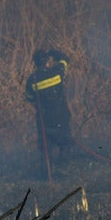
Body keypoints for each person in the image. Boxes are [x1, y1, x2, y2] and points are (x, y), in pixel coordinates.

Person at [24, 48, 73, 179]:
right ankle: (63, 170)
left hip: (44, 120)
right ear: (48, 62)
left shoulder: (32, 80)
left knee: (46, 148)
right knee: (66, 143)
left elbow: (29, 97)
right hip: (62, 117)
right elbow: (65, 59)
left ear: (35, 63)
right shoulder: (57, 72)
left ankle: (48, 173)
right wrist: (52, 51)